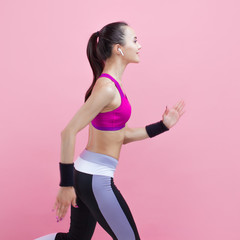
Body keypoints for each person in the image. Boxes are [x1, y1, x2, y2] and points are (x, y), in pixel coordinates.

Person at [35, 21, 186, 240]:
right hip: (95, 177)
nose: (140, 45)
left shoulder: (112, 85)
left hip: (88, 174)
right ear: (119, 48)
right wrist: (65, 185)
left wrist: (162, 126)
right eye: (134, 40)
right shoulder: (107, 88)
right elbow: (68, 132)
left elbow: (120, 136)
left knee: (76, 239)